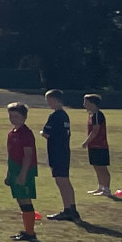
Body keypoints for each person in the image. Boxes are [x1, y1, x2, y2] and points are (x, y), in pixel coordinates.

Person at [42, 89, 79, 221]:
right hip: (64, 151)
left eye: (48, 100)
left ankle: (68, 209)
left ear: (55, 99)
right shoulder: (65, 115)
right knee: (65, 180)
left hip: (56, 152)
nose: (48, 103)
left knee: (61, 180)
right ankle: (71, 208)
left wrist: (42, 133)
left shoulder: (55, 116)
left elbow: (46, 133)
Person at [6, 102, 40, 241]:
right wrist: (9, 174)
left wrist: (23, 174)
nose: (13, 119)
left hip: (24, 170)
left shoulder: (26, 133)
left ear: (24, 117)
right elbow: (11, 155)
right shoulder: (12, 133)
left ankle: (30, 233)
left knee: (25, 200)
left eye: (16, 116)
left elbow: (28, 155)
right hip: (15, 169)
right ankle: (27, 230)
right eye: (11, 116)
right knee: (20, 199)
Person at [83, 94, 114, 197]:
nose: (84, 105)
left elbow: (95, 131)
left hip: (100, 146)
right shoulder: (92, 115)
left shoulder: (97, 115)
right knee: (96, 166)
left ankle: (107, 189)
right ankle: (100, 187)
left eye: (86, 102)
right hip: (93, 146)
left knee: (102, 168)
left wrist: (86, 141)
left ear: (92, 104)